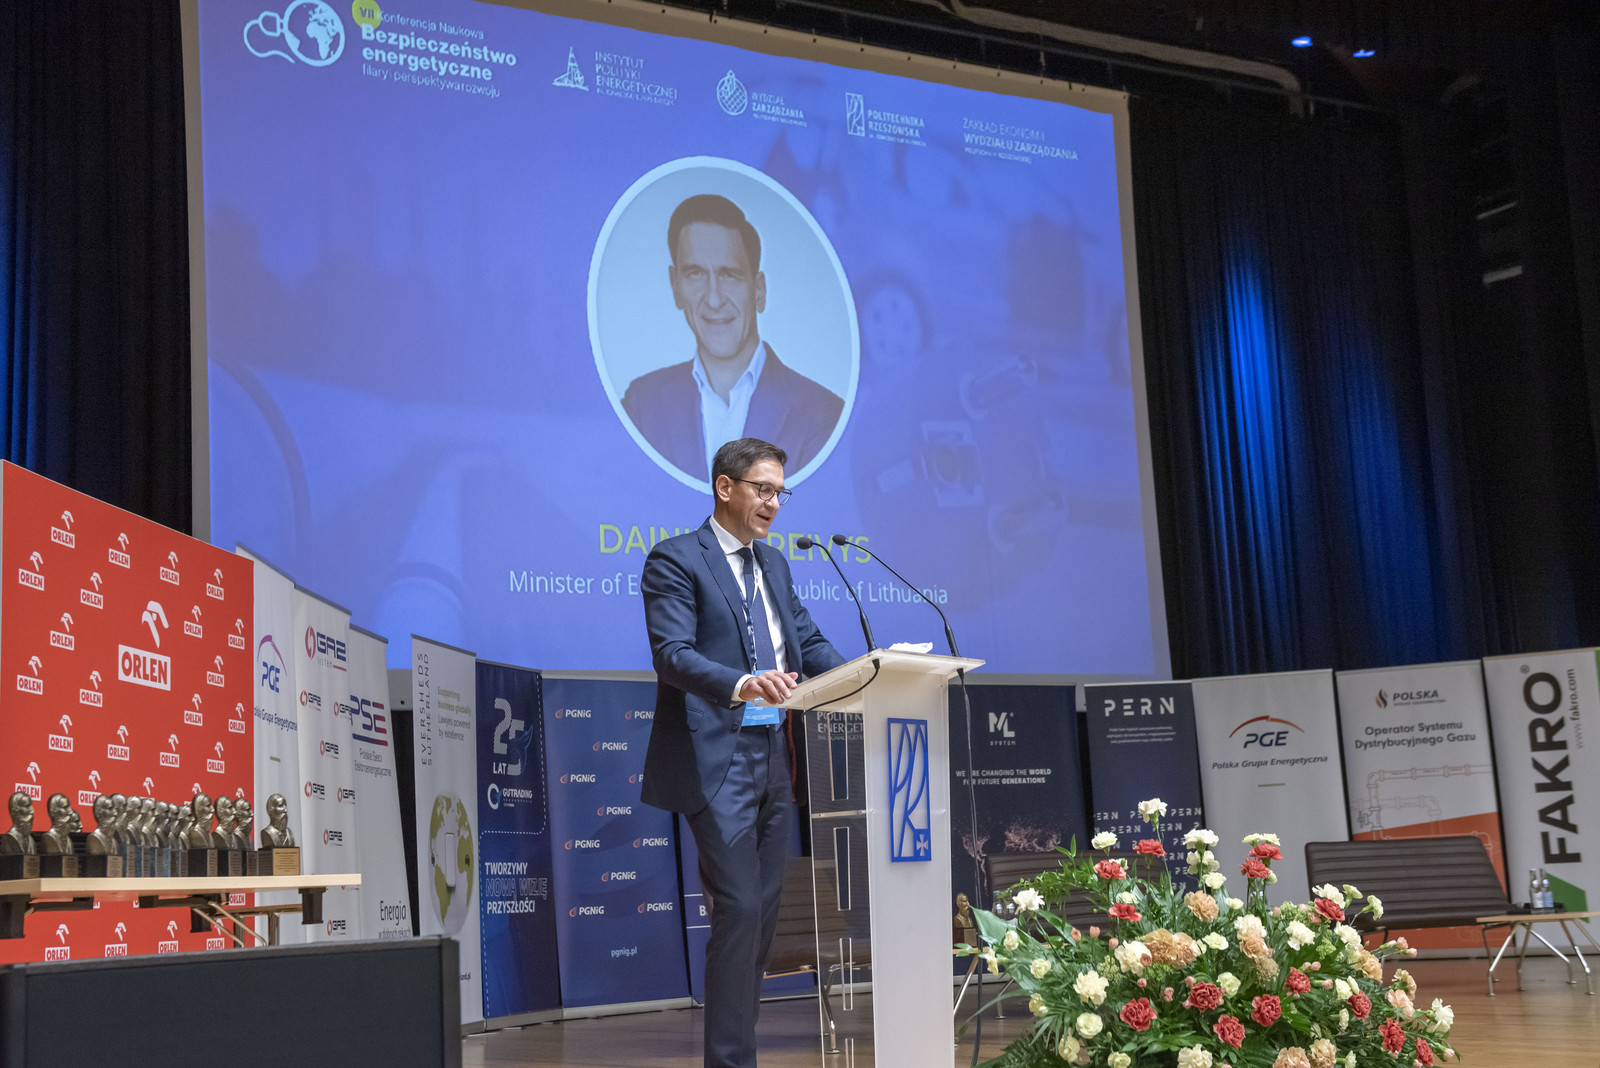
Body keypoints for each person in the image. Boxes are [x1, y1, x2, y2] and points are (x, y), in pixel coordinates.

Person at [639, 437, 846, 1068]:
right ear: (725, 487)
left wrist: (868, 676)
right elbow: (672, 654)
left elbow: (806, 641)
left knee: (760, 915)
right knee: (737, 907)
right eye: (763, 489)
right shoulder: (676, 559)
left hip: (776, 754)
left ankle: (734, 1053)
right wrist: (742, 683)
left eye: (781, 492)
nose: (774, 503)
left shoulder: (775, 564)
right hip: (717, 755)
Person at [621, 195, 845, 482]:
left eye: (729, 275)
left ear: (759, 290)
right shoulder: (642, 404)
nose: (714, 299)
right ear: (676, 286)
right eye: (695, 274)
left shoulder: (821, 412)